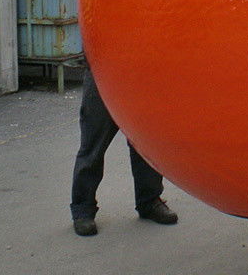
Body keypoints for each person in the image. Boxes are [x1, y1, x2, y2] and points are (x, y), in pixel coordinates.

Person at [70, 62, 178, 236]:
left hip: (141, 70)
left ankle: (149, 201)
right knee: (93, 145)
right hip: (104, 69)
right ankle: (82, 210)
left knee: (145, 142)